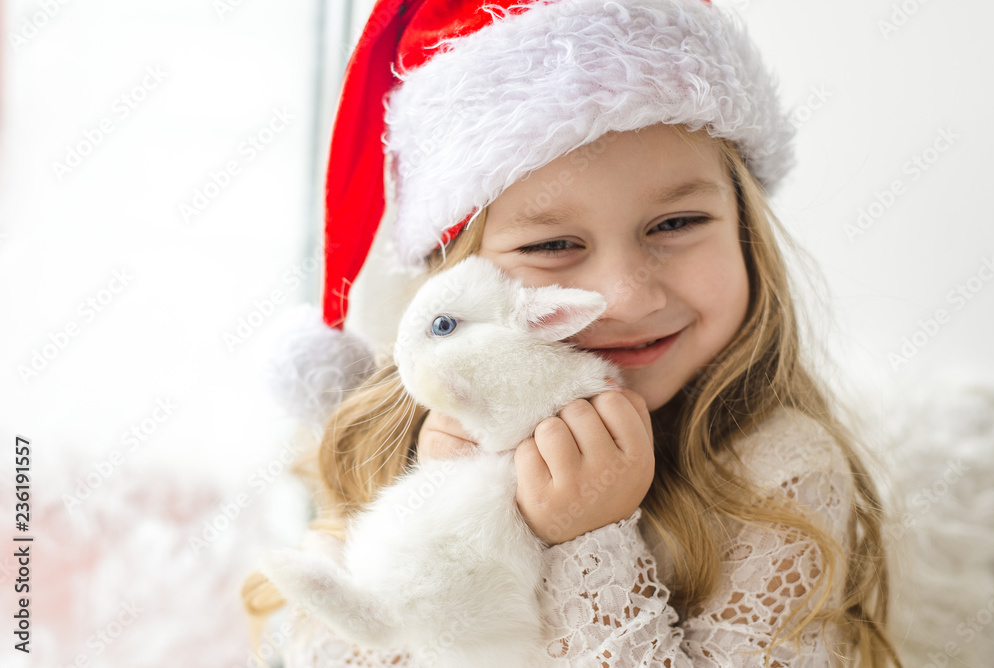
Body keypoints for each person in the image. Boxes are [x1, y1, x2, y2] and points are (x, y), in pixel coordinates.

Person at [243, 0, 903, 665]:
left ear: (745, 230)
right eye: (554, 244)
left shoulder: (777, 473)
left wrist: (585, 542)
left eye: (675, 224)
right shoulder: (397, 448)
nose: (625, 296)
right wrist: (448, 515)